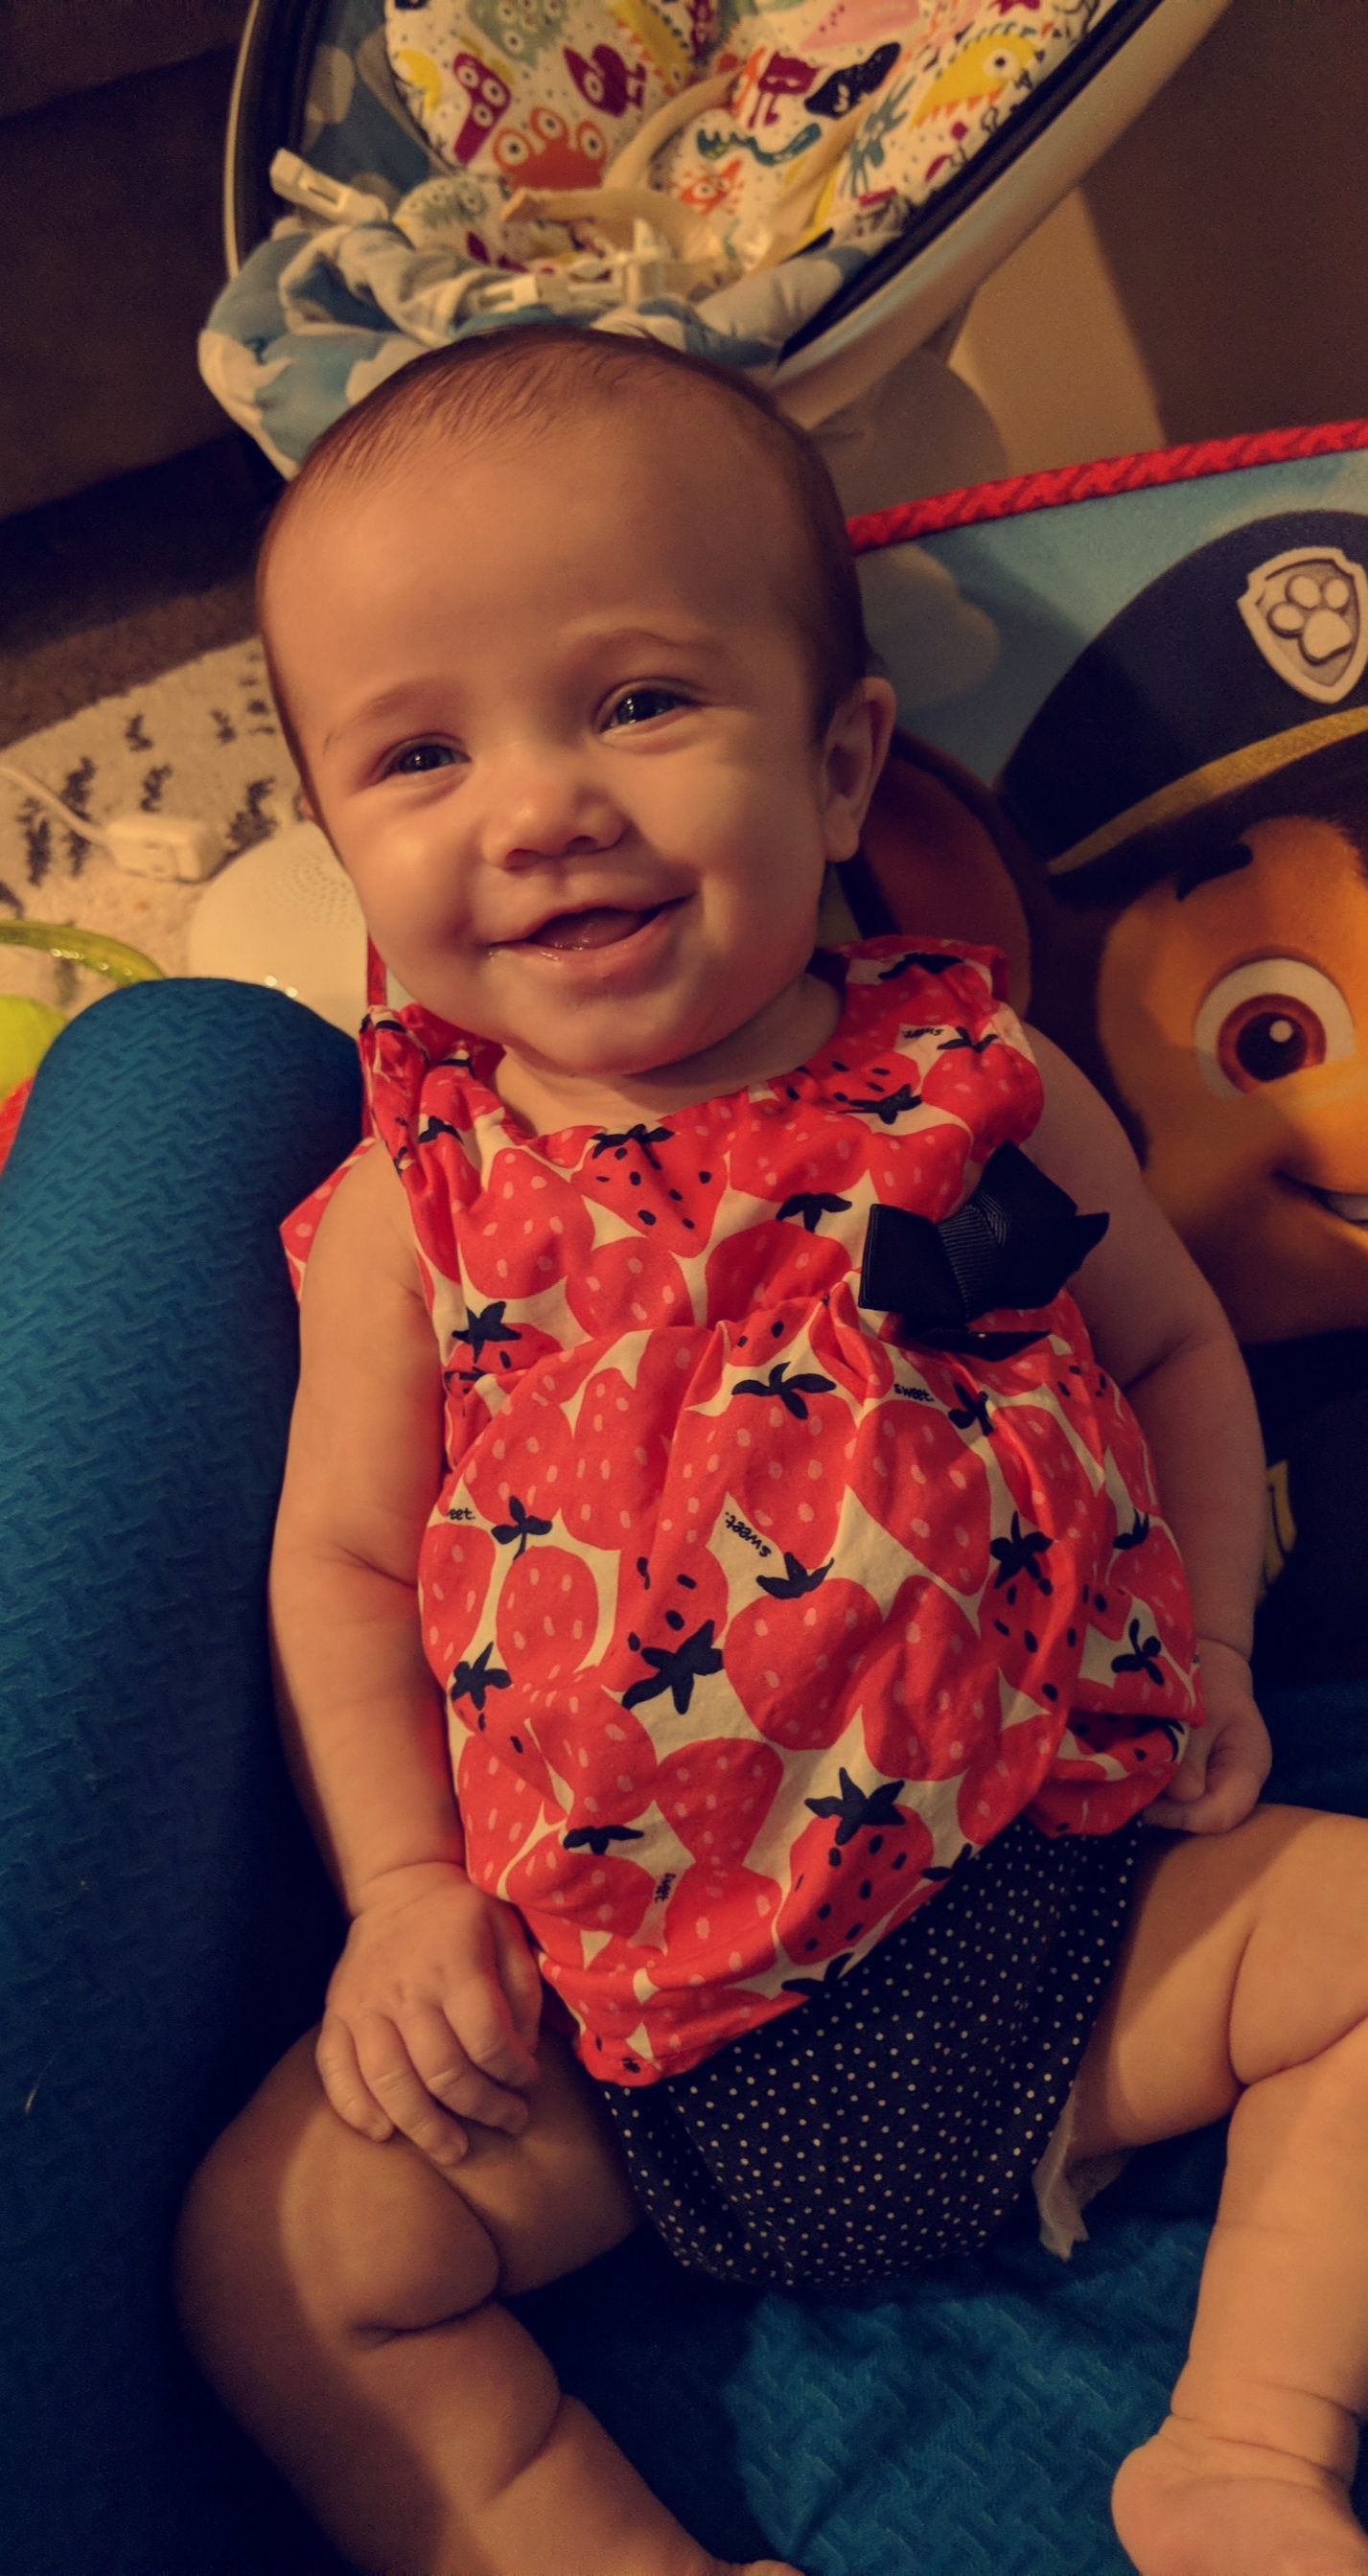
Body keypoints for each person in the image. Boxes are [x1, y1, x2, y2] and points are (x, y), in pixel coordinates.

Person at [175, 326, 1368, 2576]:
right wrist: (406, 1897)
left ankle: (1242, 2445)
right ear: (343, 846)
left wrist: (1213, 1643)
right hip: (612, 2044)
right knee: (278, 2257)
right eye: (421, 754)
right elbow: (340, 1563)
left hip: (1054, 1915)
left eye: (637, 702)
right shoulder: (416, 1206)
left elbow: (1182, 1357)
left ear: (837, 772)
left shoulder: (977, 1082)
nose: (539, 807)